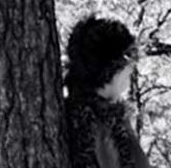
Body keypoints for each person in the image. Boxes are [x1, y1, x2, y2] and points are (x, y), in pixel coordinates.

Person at [63, 16, 150, 168]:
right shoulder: (102, 126)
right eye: (129, 69)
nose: (130, 75)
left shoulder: (76, 113)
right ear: (116, 70)